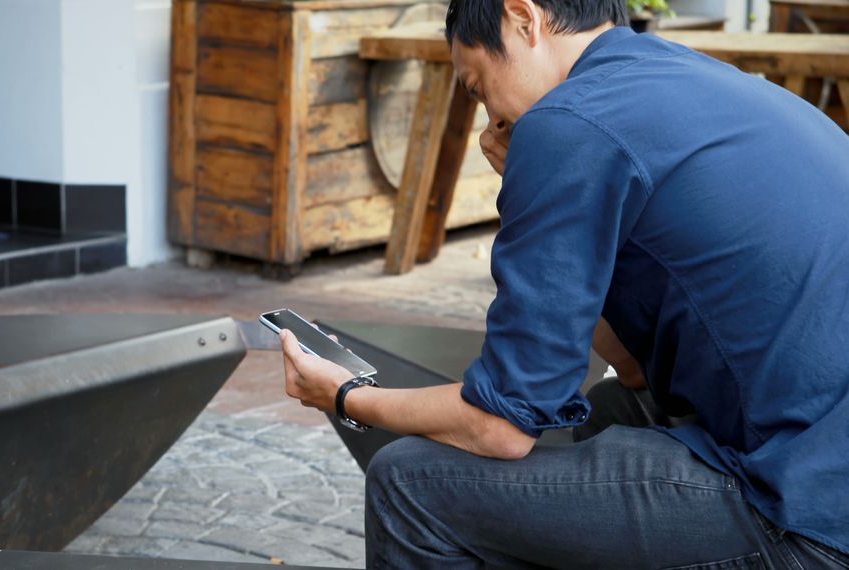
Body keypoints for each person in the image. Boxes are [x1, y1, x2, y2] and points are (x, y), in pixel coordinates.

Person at [276, 0, 849, 566]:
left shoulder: (568, 123)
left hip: (810, 512)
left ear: (523, 19)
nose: (490, 118)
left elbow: (500, 427)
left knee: (408, 483)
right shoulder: (685, 75)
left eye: (477, 87)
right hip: (824, 462)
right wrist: (538, 194)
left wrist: (350, 397)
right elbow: (633, 372)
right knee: (613, 408)